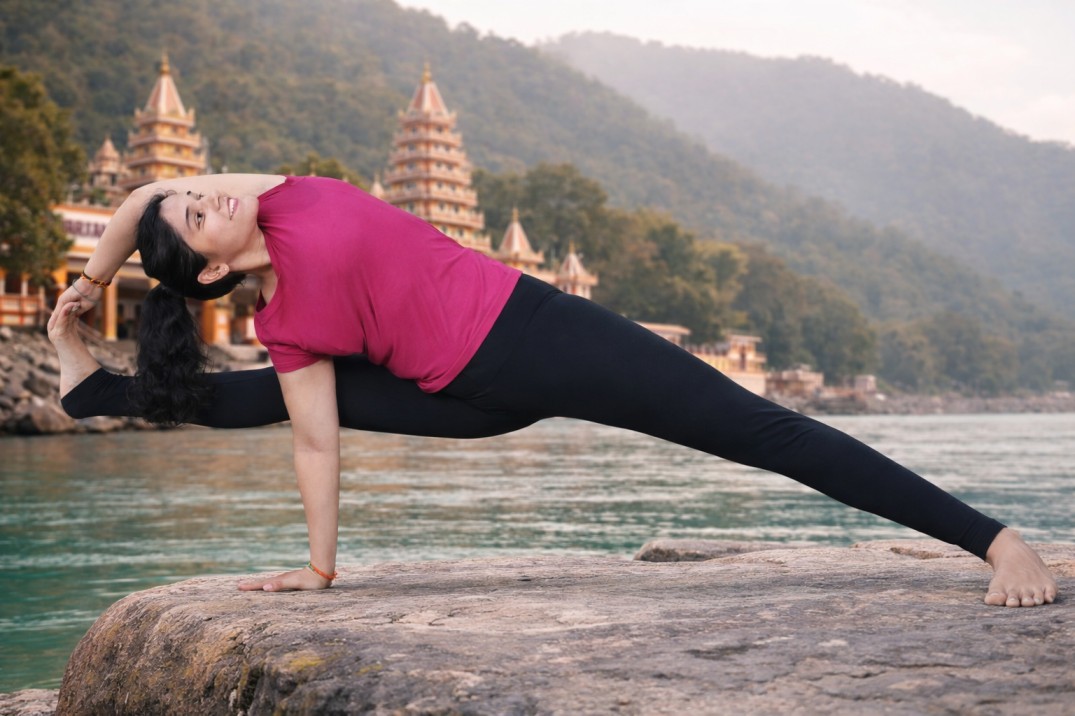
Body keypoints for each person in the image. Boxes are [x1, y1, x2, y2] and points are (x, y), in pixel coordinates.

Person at [48, 173, 1057, 607]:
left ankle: (992, 538)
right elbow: (317, 445)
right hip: (461, 397)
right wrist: (319, 570)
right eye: (195, 212)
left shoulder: (276, 193)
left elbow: (140, 199)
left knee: (759, 430)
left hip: (540, 335)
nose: (202, 193)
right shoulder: (288, 324)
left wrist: (93, 281)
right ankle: (101, 393)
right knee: (278, 394)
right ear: (211, 267)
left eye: (195, 191)